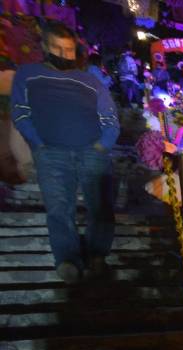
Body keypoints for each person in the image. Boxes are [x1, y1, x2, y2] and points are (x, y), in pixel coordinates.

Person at [12, 23, 119, 283]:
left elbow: (109, 117)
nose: (64, 54)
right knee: (59, 208)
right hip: (51, 152)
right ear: (45, 47)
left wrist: (103, 144)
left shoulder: (90, 80)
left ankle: (96, 255)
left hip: (92, 150)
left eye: (69, 50)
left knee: (102, 207)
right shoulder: (28, 74)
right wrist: (38, 144)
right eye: (57, 49)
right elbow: (21, 112)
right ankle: (67, 260)